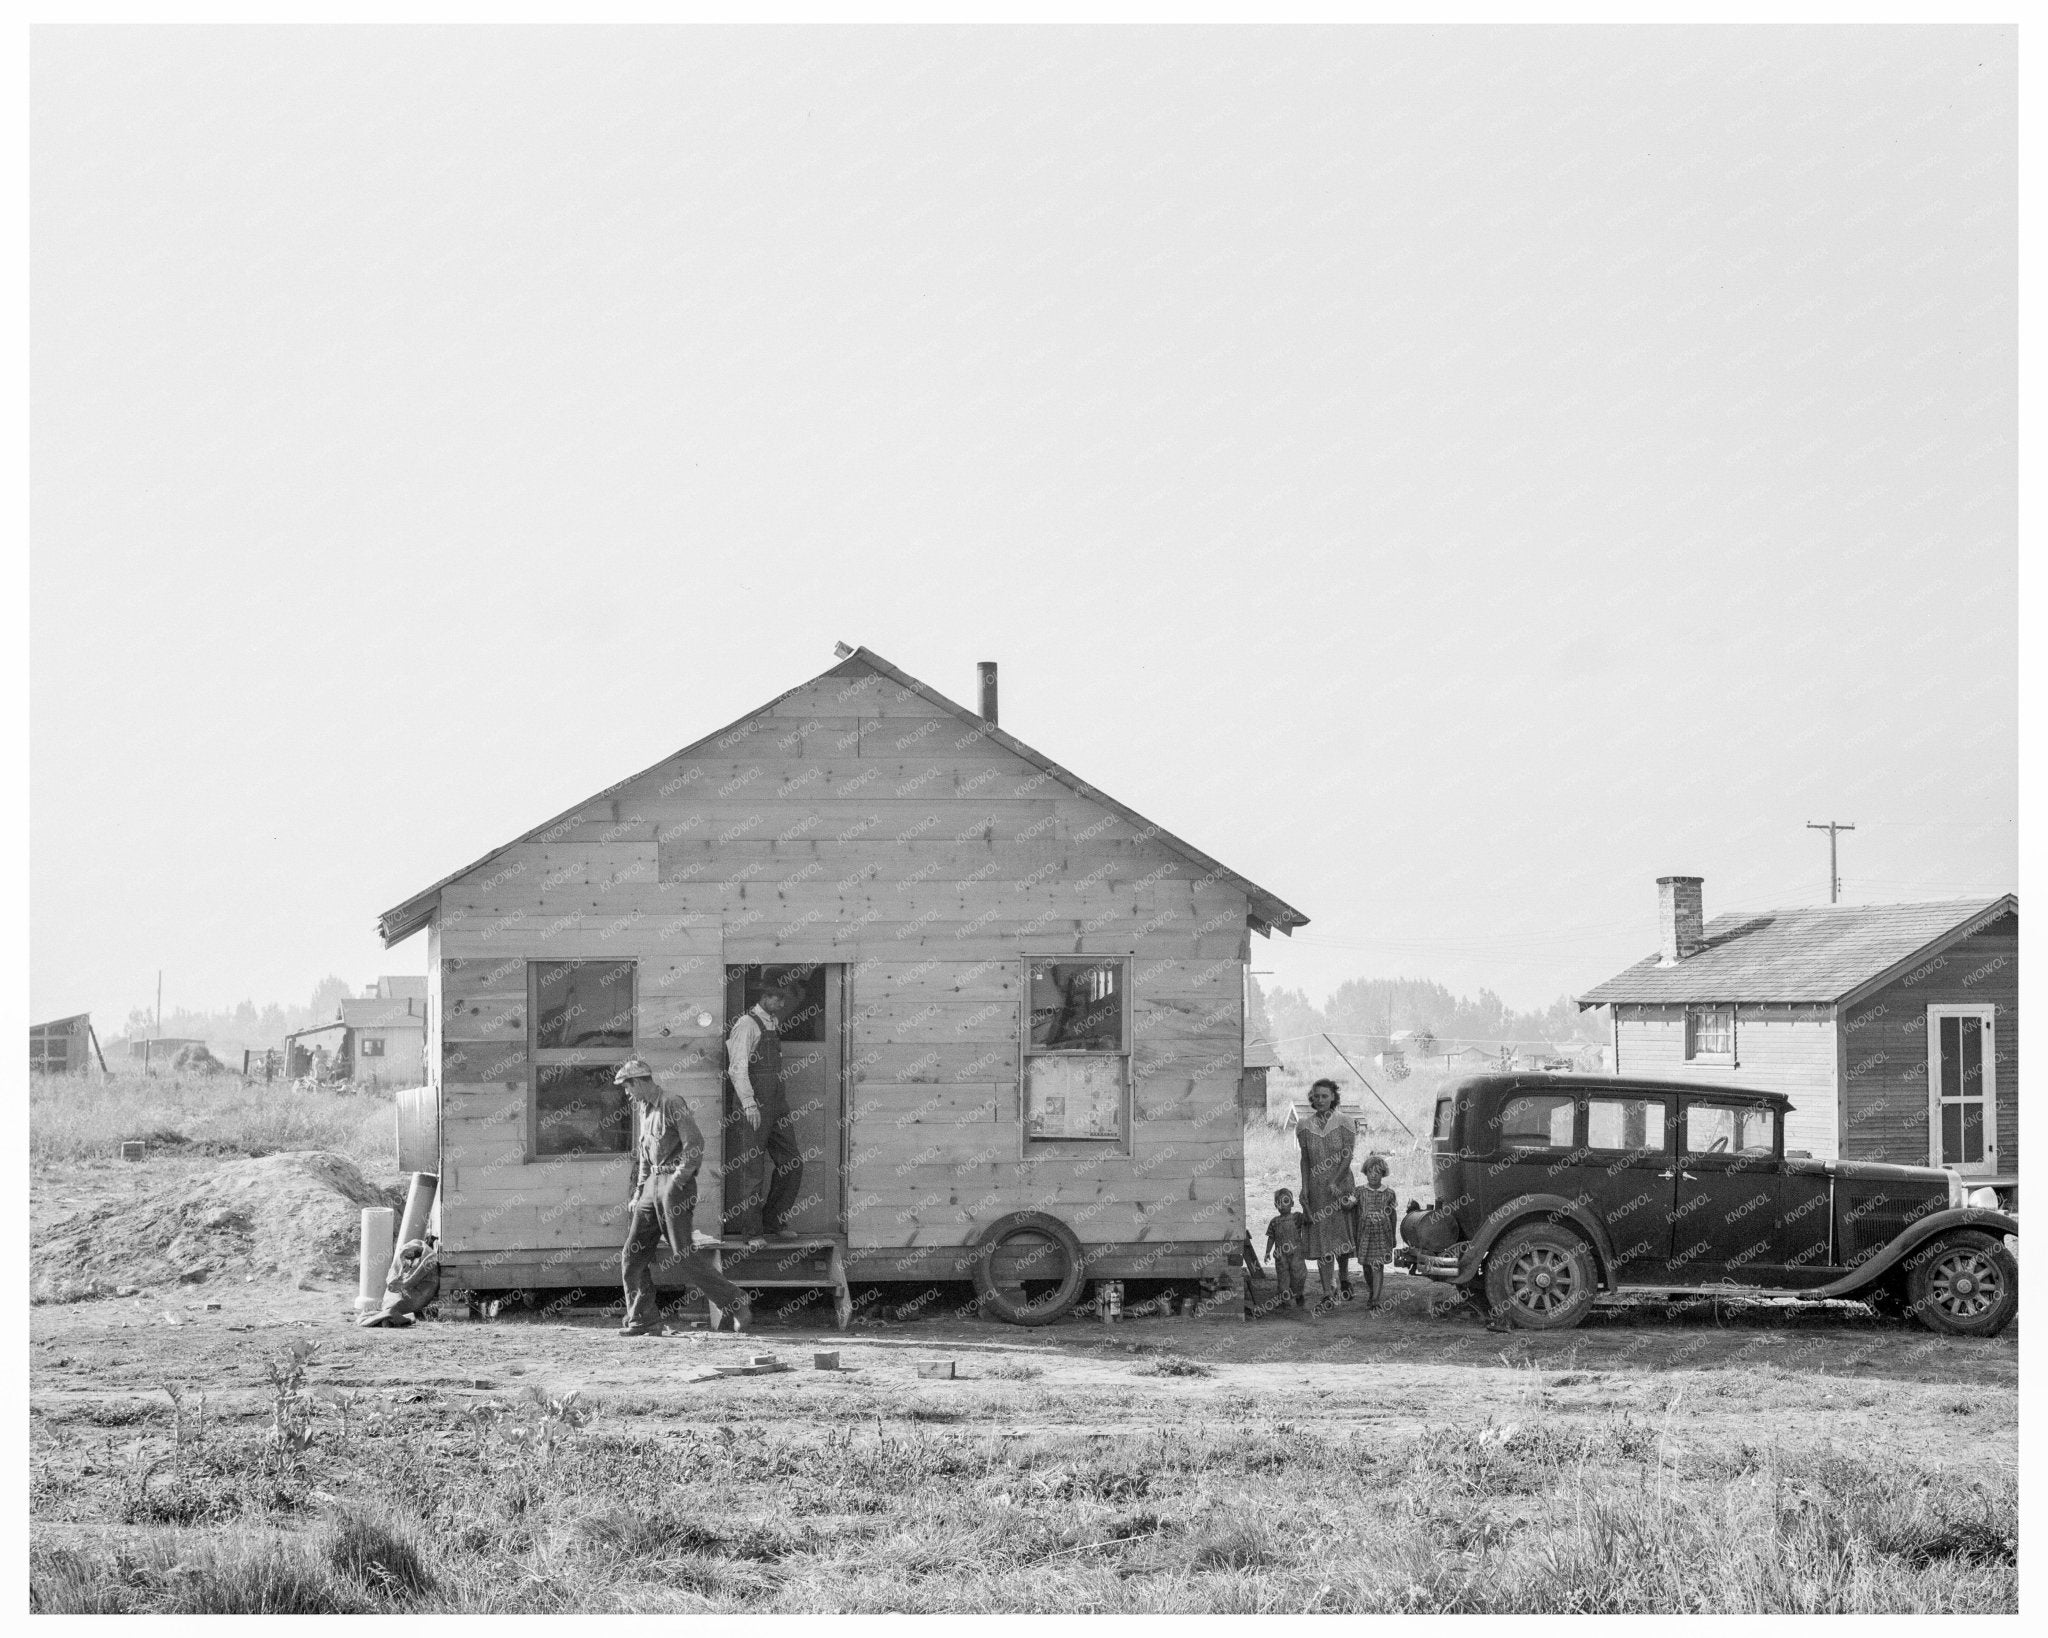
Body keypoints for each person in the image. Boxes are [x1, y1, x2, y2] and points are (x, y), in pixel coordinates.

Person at [616, 1059, 750, 1337]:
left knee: (683, 1255)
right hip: (652, 1185)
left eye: (627, 1087)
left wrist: (677, 1181)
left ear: (639, 1081)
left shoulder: (671, 1103)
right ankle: (642, 1318)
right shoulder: (644, 1109)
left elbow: (695, 1144)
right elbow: (644, 1155)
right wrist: (640, 1191)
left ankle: (736, 1302)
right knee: (632, 1253)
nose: (627, 1093)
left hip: (674, 1184)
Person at [724, 979, 806, 1247]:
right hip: (754, 1107)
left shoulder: (772, 1022)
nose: (782, 1004)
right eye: (778, 999)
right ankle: (753, 1232)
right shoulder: (746, 1025)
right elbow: (737, 1068)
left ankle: (773, 1220)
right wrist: (748, 1103)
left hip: (777, 1105)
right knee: (752, 1170)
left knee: (792, 1162)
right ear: (766, 996)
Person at [1296, 1078, 1357, 1305]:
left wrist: (1335, 1181)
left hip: (1340, 1186)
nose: (1320, 1100)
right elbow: (1305, 1160)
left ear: (1333, 1097)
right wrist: (1304, 1188)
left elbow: (1347, 1156)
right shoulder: (1303, 1126)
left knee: (1340, 1236)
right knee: (1322, 1240)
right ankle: (1326, 1293)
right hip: (1317, 1190)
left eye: (1325, 1096)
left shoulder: (1345, 1122)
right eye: (1316, 1096)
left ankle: (1344, 1278)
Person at [1353, 1154, 1399, 1311]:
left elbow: (1392, 1215)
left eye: (1377, 1172)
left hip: (1382, 1233)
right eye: (1370, 1172)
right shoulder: (1359, 1192)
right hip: (1365, 1233)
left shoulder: (1389, 1193)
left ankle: (1375, 1299)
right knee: (1367, 1266)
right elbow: (1350, 1210)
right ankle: (1372, 1290)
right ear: (1366, 1173)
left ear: (1383, 1174)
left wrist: (1393, 1235)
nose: (1373, 1175)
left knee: (1377, 1265)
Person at [1262, 1187, 1310, 1311]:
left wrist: (1305, 1205)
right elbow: (1271, 1238)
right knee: (1283, 1279)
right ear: (1275, 1205)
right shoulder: (1274, 1222)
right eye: (1279, 1202)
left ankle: (1298, 1294)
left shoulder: (1297, 1217)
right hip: (1281, 1256)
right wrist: (1267, 1252)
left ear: (1292, 1203)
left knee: (1299, 1276)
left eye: (1286, 1201)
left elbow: (1309, 1219)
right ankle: (1284, 1300)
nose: (1282, 1205)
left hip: (1296, 1254)